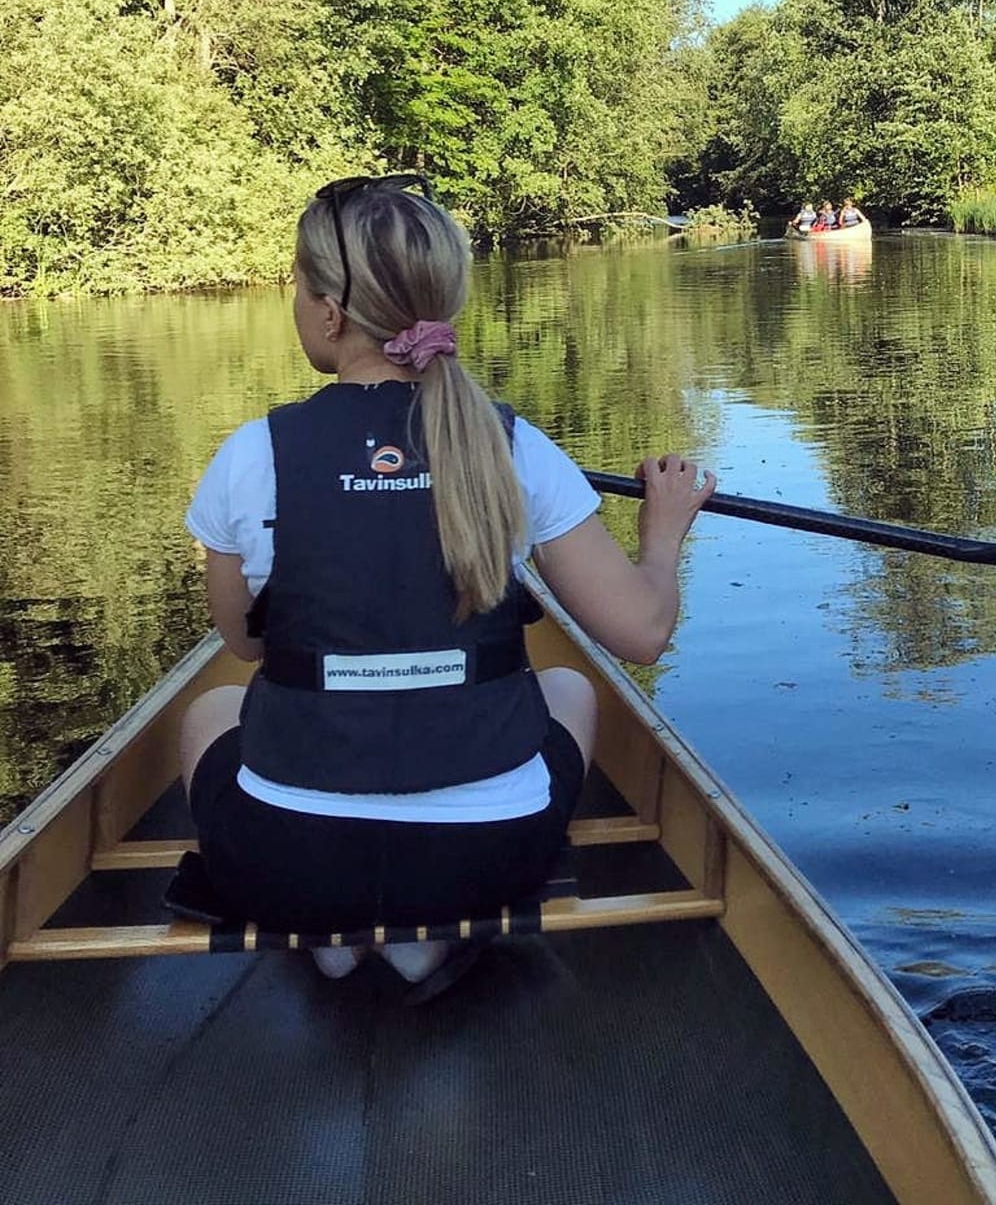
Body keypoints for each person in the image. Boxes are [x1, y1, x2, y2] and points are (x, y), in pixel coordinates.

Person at [180, 174, 715, 992]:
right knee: (571, 689)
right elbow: (641, 634)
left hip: (290, 865)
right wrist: (663, 532)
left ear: (327, 310)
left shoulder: (251, 453)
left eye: (297, 287)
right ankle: (419, 940)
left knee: (212, 708)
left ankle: (330, 940)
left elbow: (244, 643)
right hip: (486, 863)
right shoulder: (513, 445)